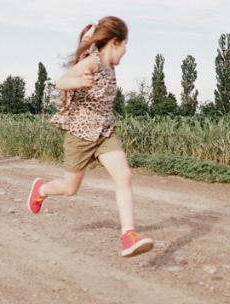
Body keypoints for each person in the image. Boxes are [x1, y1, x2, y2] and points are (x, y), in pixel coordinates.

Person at [27, 16, 154, 258]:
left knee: (124, 176)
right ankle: (41, 189)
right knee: (69, 188)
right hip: (80, 135)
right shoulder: (92, 62)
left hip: (106, 131)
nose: (126, 51)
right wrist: (78, 80)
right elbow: (61, 82)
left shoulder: (109, 65)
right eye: (125, 45)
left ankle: (129, 236)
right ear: (115, 42)